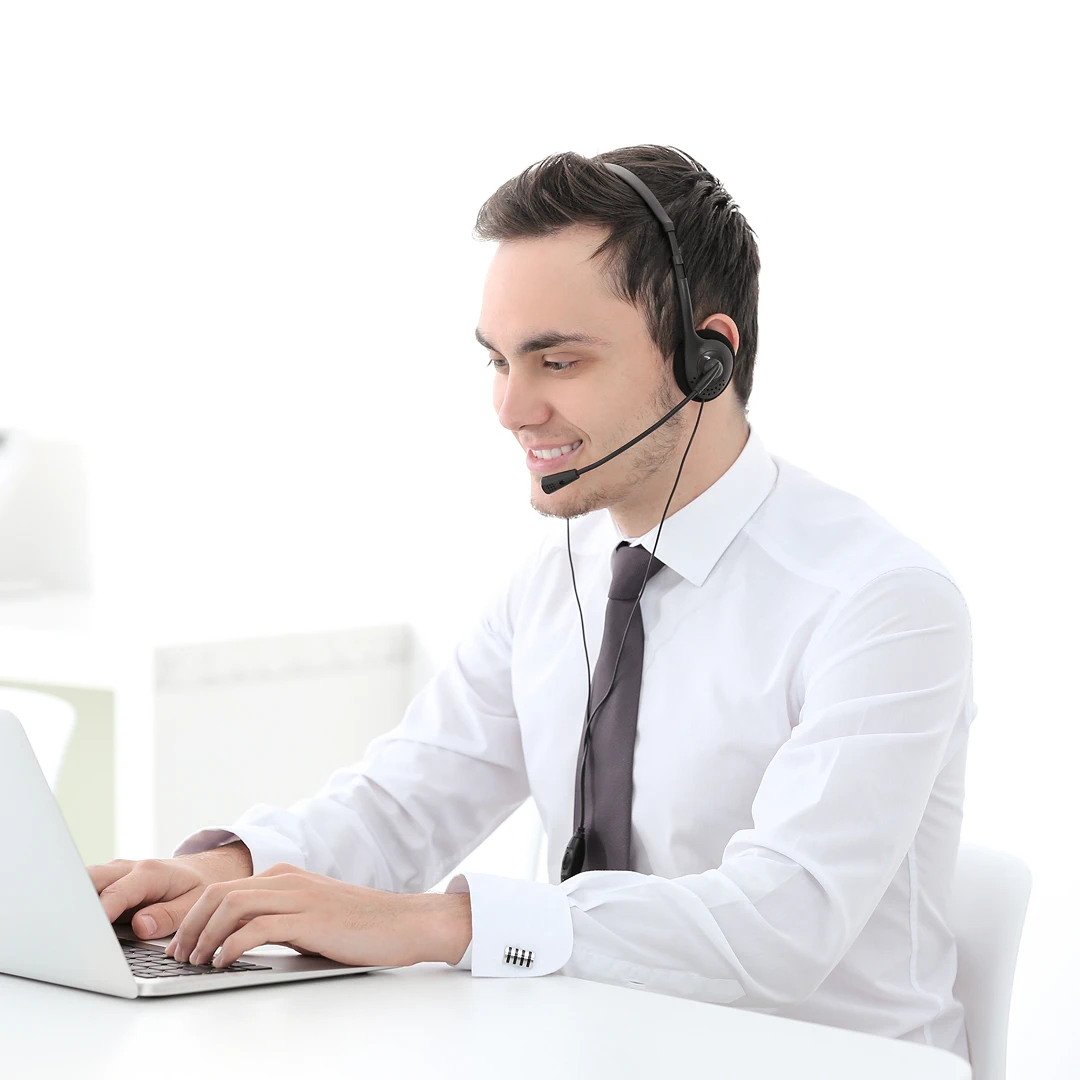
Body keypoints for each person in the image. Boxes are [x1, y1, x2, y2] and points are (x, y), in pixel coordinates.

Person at [88, 144, 974, 1063]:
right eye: (498, 362)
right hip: (590, 1049)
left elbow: (781, 922)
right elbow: (406, 802)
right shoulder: (559, 575)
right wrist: (216, 873)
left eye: (557, 361)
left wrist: (441, 925)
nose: (512, 409)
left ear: (708, 357)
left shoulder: (881, 602)